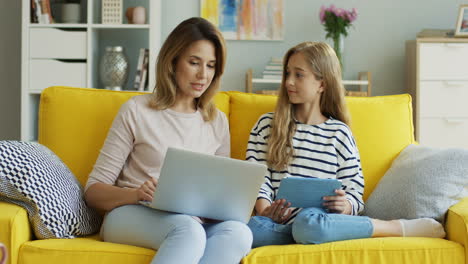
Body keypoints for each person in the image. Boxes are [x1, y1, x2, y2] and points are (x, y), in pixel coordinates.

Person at [84, 17, 252, 264]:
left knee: (239, 233)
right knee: (188, 231)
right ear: (172, 62)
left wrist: (217, 210)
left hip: (192, 219)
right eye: (194, 62)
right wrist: (137, 194)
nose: (202, 75)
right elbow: (93, 191)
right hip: (131, 213)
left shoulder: (217, 121)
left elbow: (220, 194)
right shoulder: (136, 110)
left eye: (211, 66)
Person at [246, 41, 446, 248]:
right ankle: (311, 234)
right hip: (276, 226)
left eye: (298, 75)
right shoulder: (267, 125)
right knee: (252, 230)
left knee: (309, 223)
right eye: (287, 73)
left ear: (322, 84)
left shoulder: (339, 133)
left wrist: (346, 205)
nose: (288, 82)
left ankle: (392, 228)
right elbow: (256, 178)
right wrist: (265, 210)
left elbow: (354, 189)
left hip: (318, 220)